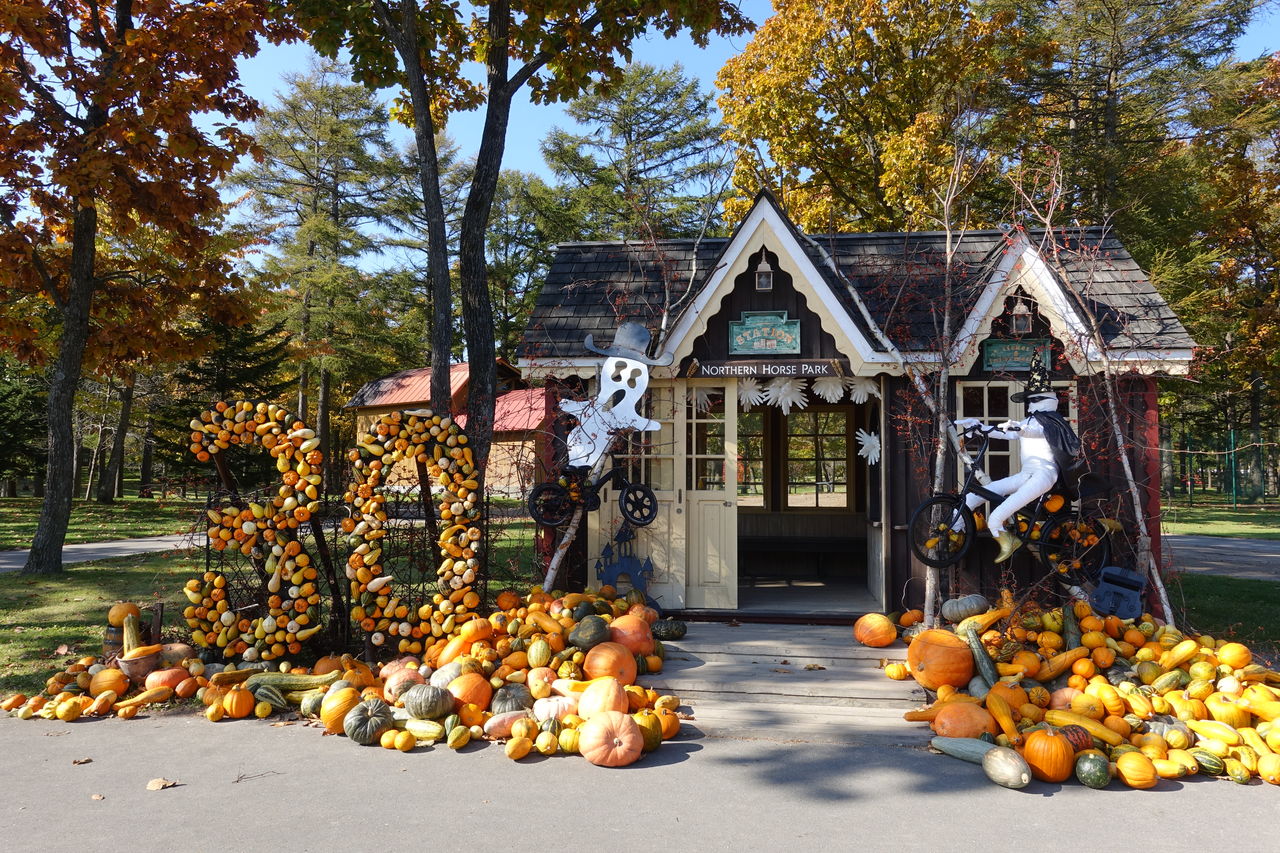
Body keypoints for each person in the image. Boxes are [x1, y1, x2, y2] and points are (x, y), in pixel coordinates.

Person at [954, 358, 1082, 562]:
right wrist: (980, 427)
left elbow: (1034, 432)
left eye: (1033, 400)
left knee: (996, 516)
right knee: (976, 496)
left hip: (1045, 474)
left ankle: (1010, 541)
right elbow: (1008, 433)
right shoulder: (1030, 420)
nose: (1030, 404)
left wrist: (1019, 427)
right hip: (1027, 473)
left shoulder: (1051, 421)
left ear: (1044, 399)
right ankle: (955, 529)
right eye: (1029, 400)